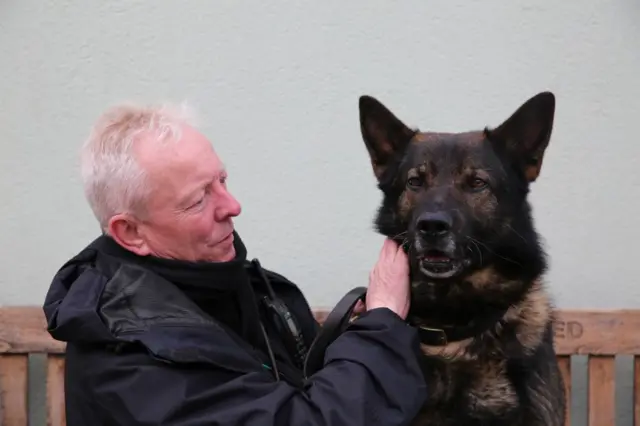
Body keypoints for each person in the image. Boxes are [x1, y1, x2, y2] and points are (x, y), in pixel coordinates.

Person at [42, 102, 428, 425]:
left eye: (221, 180)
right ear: (130, 233)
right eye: (198, 200)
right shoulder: (131, 361)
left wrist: (353, 336)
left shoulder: (229, 287)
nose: (232, 206)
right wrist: (383, 323)